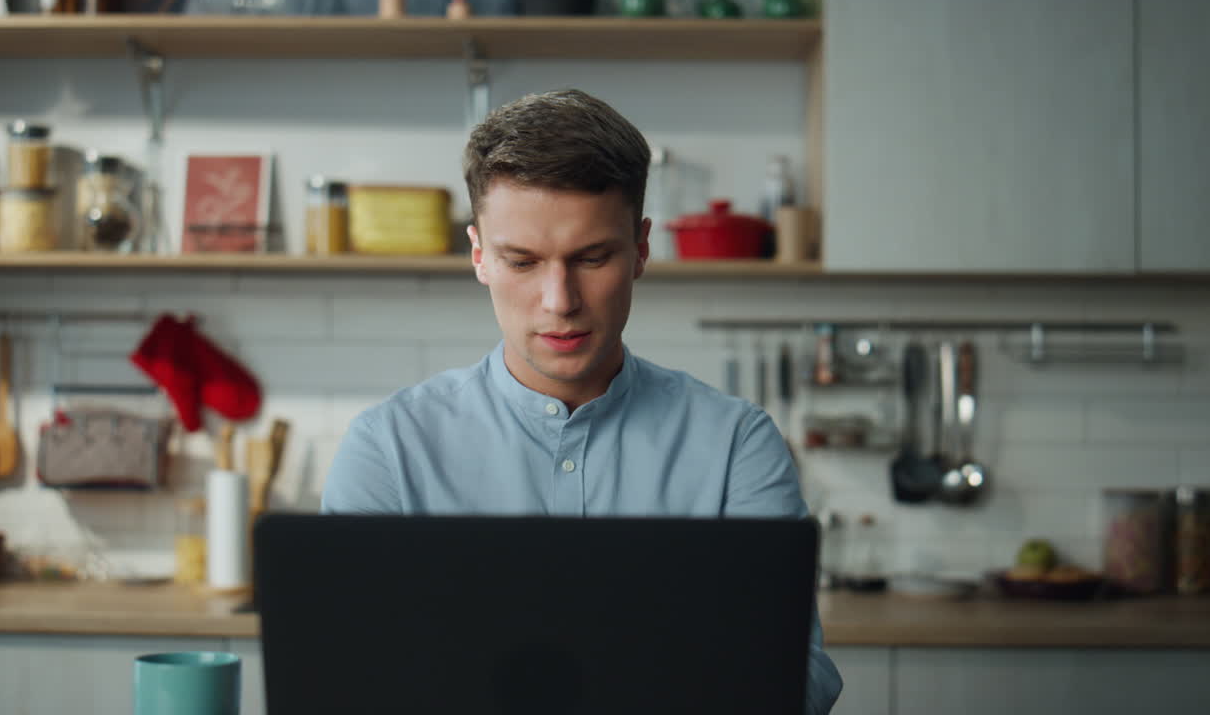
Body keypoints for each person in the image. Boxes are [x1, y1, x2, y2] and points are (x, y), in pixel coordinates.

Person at [322, 89, 842, 714]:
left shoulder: (736, 445)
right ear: (480, 255)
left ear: (641, 249)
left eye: (592, 258)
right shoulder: (388, 449)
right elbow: (346, 682)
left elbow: (798, 677)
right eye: (522, 261)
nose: (559, 300)